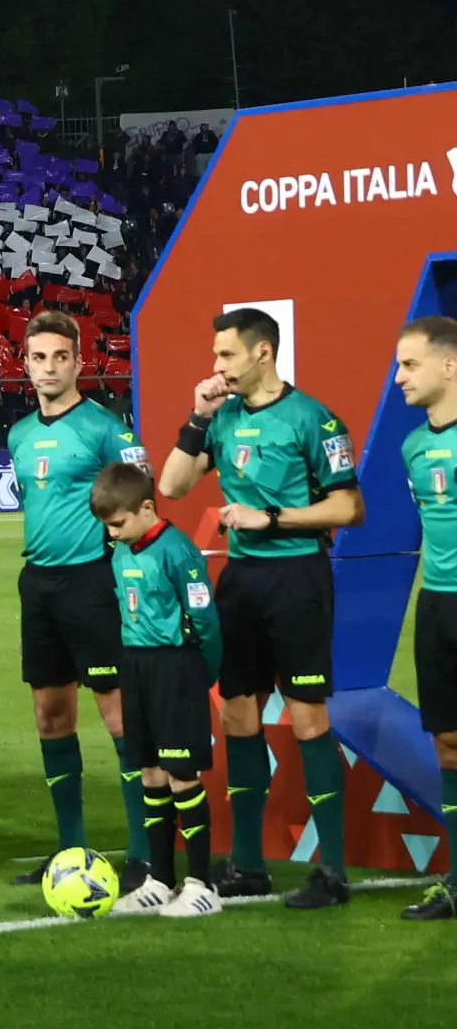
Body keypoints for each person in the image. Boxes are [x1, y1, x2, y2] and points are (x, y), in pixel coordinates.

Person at [156, 305, 365, 907]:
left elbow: (350, 508)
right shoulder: (220, 420)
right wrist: (197, 415)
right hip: (242, 582)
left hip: (298, 577)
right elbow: (170, 486)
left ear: (261, 353)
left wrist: (269, 518)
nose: (216, 366)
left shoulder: (313, 419)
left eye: (226, 355)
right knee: (236, 716)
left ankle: (333, 872)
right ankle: (248, 864)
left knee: (306, 719)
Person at [7, 311, 152, 890]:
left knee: (117, 715)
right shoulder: (18, 434)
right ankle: (71, 851)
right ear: (26, 363)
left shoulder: (105, 429)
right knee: (50, 715)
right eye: (39, 357)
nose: (49, 367)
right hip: (39, 584)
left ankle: (143, 851)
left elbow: (142, 504)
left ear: (78, 362)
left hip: (93, 581)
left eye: (59, 357)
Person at [90, 462, 223, 918]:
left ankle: (202, 885)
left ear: (146, 508)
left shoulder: (178, 552)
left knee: (182, 774)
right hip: (136, 666)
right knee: (149, 773)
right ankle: (160, 881)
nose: (112, 535)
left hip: (175, 666)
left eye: (118, 524)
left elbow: (205, 622)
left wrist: (196, 675)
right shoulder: (120, 551)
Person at [392, 315, 457, 922]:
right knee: (448, 744)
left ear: (450, 365)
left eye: (410, 365)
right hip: (436, 602)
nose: (398, 377)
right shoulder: (413, 445)